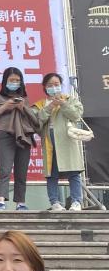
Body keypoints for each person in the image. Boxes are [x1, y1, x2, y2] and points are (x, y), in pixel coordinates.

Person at [0, 67, 39, 212]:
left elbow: (32, 119)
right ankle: (1, 202)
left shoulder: (24, 98)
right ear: (5, 81)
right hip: (5, 134)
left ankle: (20, 202)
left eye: (17, 80)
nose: (15, 83)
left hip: (23, 136)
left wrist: (22, 108)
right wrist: (5, 107)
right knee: (5, 169)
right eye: (12, 80)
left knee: (21, 171)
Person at [35, 73, 85, 212]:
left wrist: (63, 104)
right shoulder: (40, 104)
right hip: (49, 140)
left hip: (67, 139)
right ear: (45, 87)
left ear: (61, 85)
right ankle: (55, 202)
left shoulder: (70, 99)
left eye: (56, 84)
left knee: (73, 172)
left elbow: (76, 115)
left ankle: (76, 202)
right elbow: (36, 122)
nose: (53, 87)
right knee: (52, 173)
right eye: (50, 85)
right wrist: (50, 106)